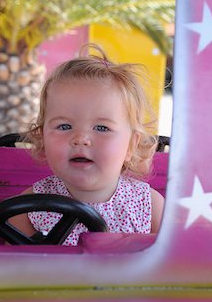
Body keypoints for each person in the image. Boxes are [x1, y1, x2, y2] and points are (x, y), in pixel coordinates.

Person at [10, 44, 164, 245]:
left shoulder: (150, 207)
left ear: (131, 145)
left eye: (101, 128)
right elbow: (17, 272)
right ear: (42, 138)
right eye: (64, 126)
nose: (80, 138)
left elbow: (168, 270)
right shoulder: (27, 208)